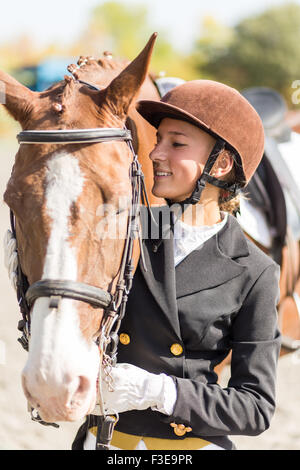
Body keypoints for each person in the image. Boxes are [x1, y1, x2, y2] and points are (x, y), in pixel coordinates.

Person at [73, 79, 281, 451]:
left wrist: (159, 391)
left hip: (188, 446)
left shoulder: (256, 271)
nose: (155, 154)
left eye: (177, 144)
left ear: (220, 163)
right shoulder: (122, 227)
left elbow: (255, 408)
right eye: (158, 141)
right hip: (104, 441)